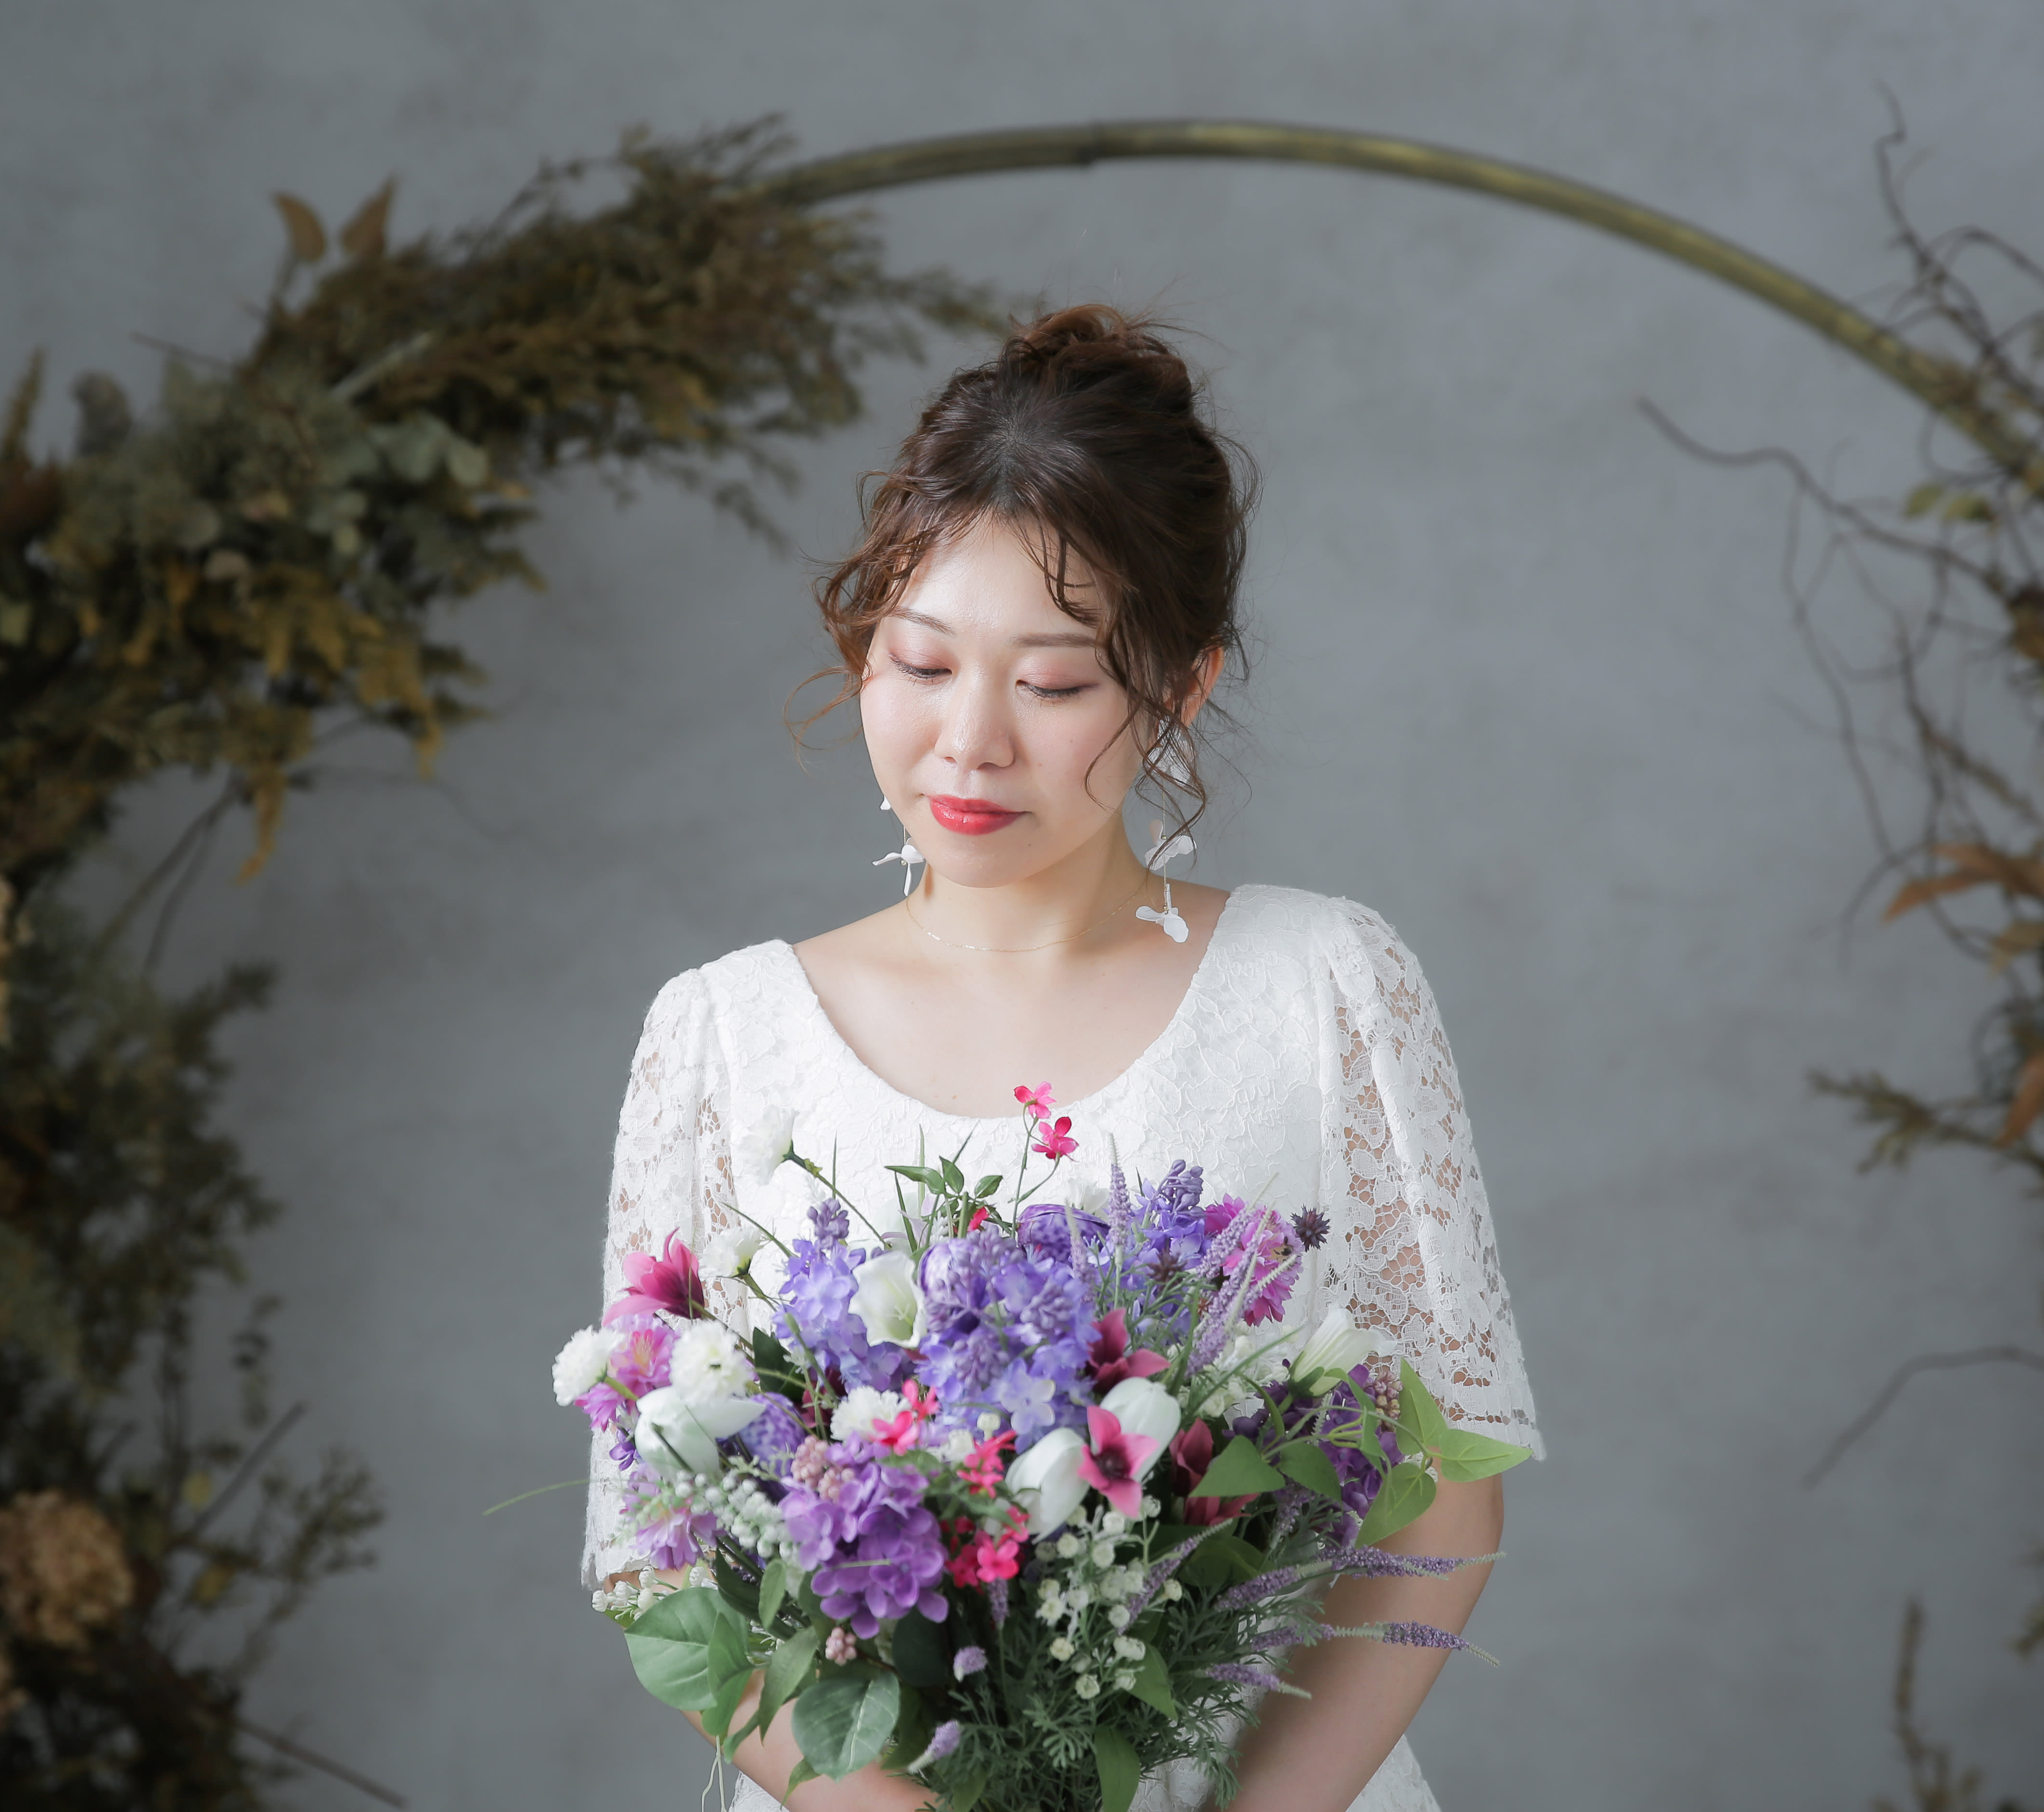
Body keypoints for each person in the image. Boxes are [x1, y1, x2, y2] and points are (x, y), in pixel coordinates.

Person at [587, 304, 1542, 1812]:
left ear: (1181, 685)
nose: (971, 743)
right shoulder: (723, 1034)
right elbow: (656, 1556)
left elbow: (1443, 1504)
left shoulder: (1324, 986)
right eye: (921, 663)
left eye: (1052, 685)